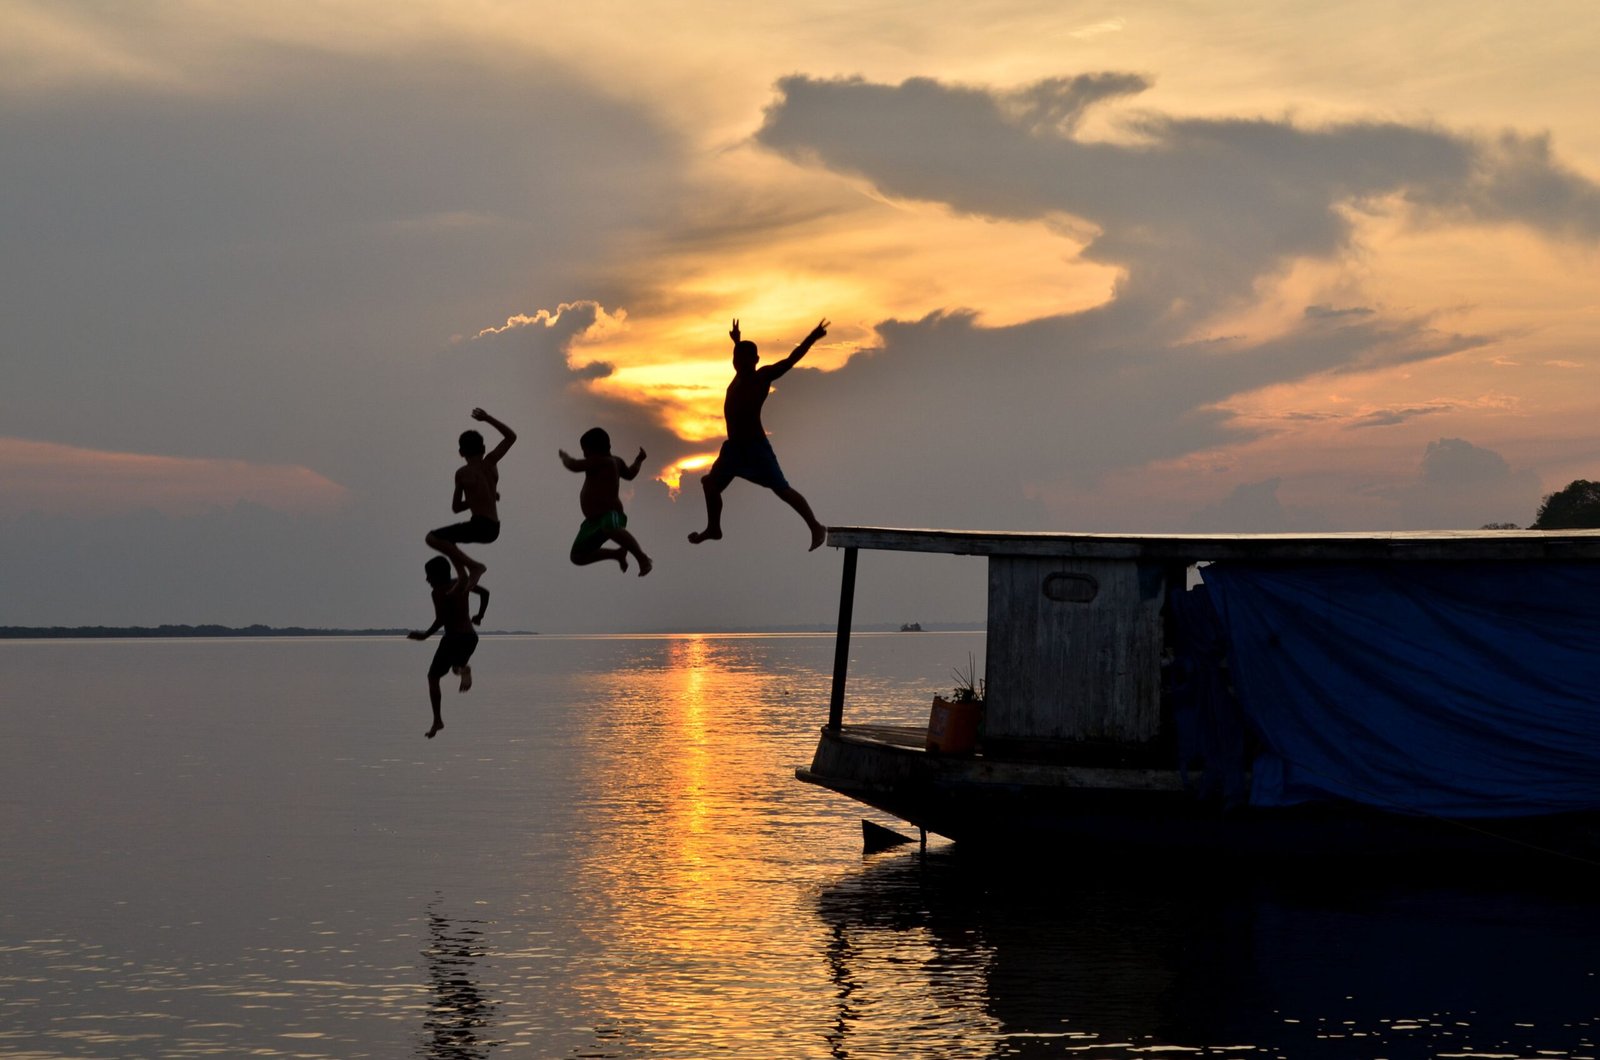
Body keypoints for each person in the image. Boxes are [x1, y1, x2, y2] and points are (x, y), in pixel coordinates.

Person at [689, 317, 829, 550]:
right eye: (737, 360)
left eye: (745, 361)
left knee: (782, 490)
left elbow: (791, 360)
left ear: (756, 361)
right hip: (733, 449)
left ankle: (815, 526)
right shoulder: (738, 374)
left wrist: (812, 338)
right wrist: (737, 341)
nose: (740, 364)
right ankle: (714, 528)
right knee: (710, 485)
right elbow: (741, 355)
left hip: (755, 448)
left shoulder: (761, 377)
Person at [426, 408, 515, 590]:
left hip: (479, 525)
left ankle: (474, 567)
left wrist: (473, 501)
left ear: (460, 452)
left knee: (432, 538)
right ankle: (462, 576)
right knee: (448, 540)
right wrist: (487, 418)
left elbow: (456, 508)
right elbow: (510, 437)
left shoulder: (462, 473)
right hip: (493, 528)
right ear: (482, 448)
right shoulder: (491, 462)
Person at [408, 556, 490, 739]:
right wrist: (479, 616)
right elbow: (486, 593)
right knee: (454, 666)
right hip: (470, 637)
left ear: (437, 576)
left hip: (453, 638)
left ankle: (438, 719)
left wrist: (424, 635)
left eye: (429, 576)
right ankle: (462, 668)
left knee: (433, 677)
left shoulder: (438, 592)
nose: (427, 580)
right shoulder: (461, 583)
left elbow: (441, 619)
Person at [559, 427, 653, 576]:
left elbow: (574, 465)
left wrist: (565, 457)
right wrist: (638, 460)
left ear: (596, 449)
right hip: (593, 521)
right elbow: (630, 474)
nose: (584, 454)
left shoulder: (601, 461)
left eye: (585, 450)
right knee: (577, 556)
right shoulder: (615, 461)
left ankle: (642, 558)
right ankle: (616, 554)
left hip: (611, 515)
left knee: (610, 528)